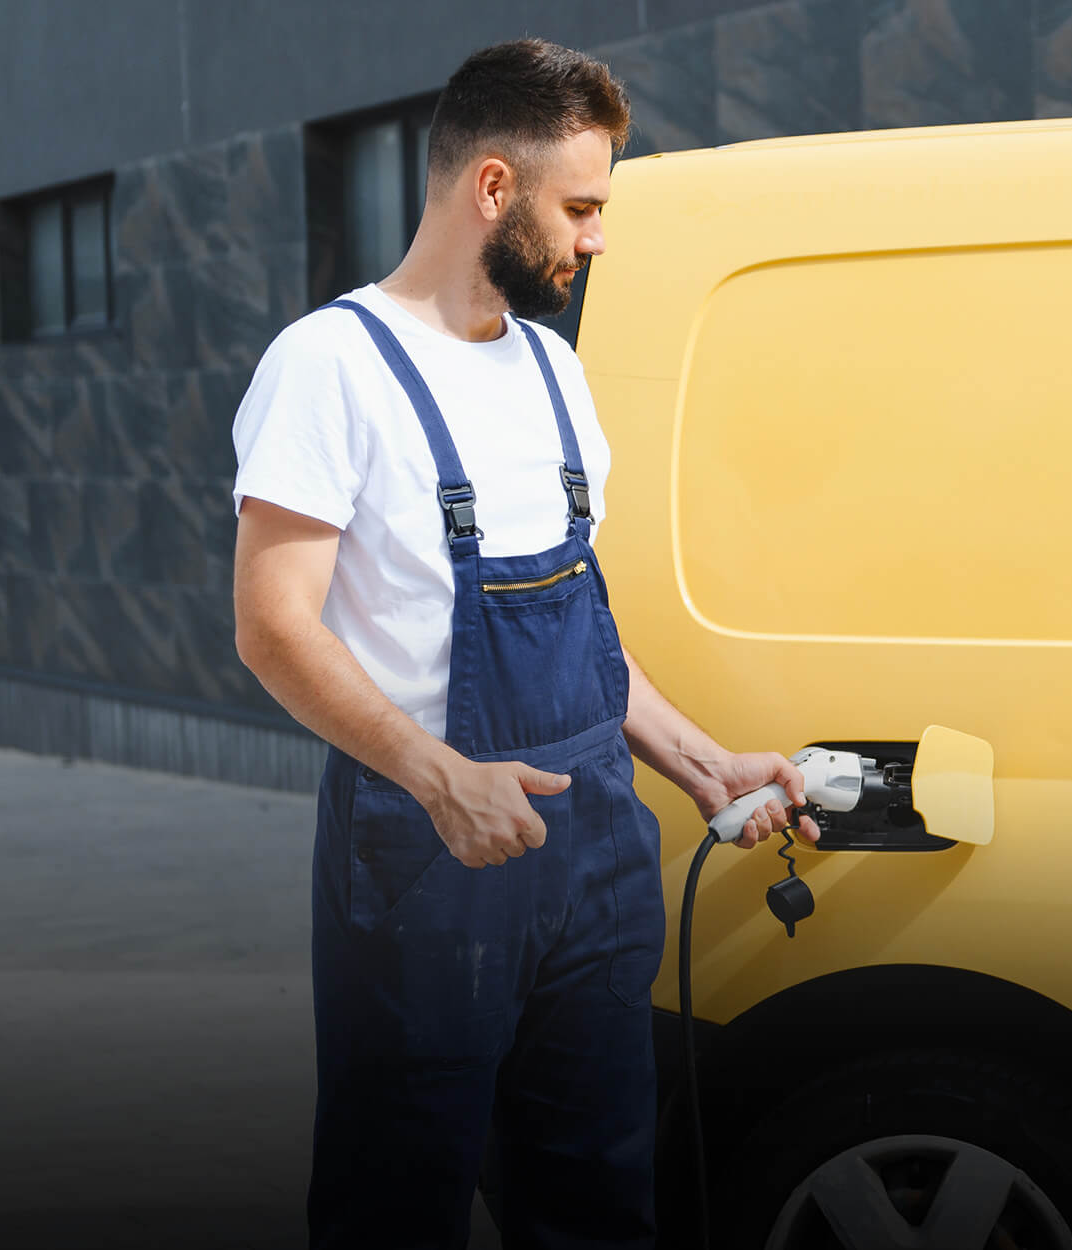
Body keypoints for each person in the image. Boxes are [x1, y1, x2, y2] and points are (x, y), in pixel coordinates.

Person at [229, 38, 814, 1249]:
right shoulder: (329, 366)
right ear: (492, 186)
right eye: (581, 206)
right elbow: (272, 625)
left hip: (598, 850)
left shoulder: (553, 369)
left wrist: (705, 768)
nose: (595, 238)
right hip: (427, 853)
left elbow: (582, 627)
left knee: (597, 1194)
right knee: (398, 1200)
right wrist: (442, 779)